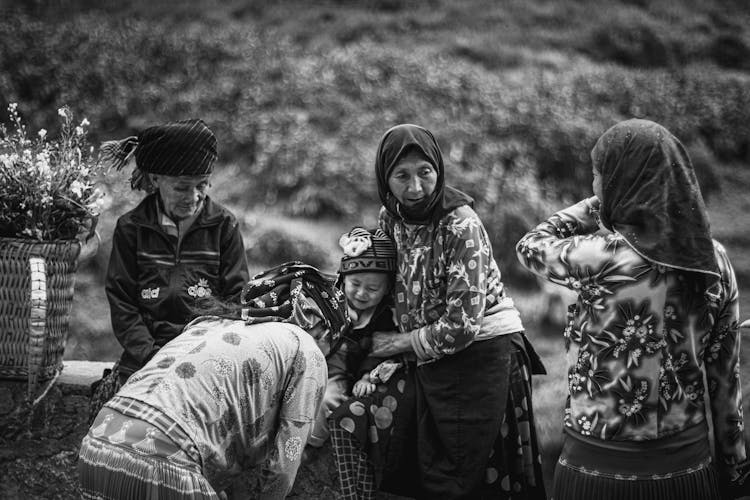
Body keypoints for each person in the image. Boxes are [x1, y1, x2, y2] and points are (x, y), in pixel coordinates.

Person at [516, 118, 747, 500]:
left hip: (594, 473)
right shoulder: (714, 260)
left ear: (620, 184)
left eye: (597, 176)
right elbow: (725, 384)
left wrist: (594, 206)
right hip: (686, 473)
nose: (593, 186)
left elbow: (530, 244)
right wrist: (737, 477)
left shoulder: (600, 255)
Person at [330, 124, 547, 500]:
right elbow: (382, 282)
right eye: (401, 176)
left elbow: (462, 325)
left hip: (482, 357)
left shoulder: (460, 225)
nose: (415, 188)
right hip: (427, 359)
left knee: (470, 479)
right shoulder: (390, 218)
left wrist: (397, 343)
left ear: (439, 171)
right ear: (385, 178)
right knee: (403, 454)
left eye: (425, 173)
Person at [79, 262, 350, 500]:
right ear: (319, 323)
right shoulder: (307, 348)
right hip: (163, 459)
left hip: (98, 443)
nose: (328, 354)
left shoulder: (210, 323)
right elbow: (283, 466)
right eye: (333, 344)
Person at [100, 118, 249, 385]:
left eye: (201, 185)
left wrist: (201, 352)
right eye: (181, 187)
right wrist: (150, 355)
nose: (193, 197)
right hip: (145, 360)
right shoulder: (131, 229)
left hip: (205, 358)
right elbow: (122, 302)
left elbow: (236, 299)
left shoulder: (224, 226)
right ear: (155, 179)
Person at [308, 226, 399, 448]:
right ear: (343, 278)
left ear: (387, 289)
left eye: (372, 289)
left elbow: (379, 351)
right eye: (355, 284)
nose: (361, 293)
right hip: (310, 363)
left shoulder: (384, 319)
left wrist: (367, 377)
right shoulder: (330, 300)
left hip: (339, 374)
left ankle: (311, 444)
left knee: (328, 399)